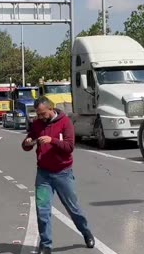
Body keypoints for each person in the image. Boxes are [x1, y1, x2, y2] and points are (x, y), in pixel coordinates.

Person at [22, 96, 95, 254]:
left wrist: (52, 140)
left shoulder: (65, 122)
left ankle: (86, 232)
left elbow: (69, 147)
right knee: (42, 210)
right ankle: (46, 245)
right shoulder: (36, 124)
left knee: (73, 208)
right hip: (43, 174)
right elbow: (28, 143)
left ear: (51, 108)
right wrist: (27, 142)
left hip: (63, 173)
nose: (40, 117)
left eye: (43, 113)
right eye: (38, 114)